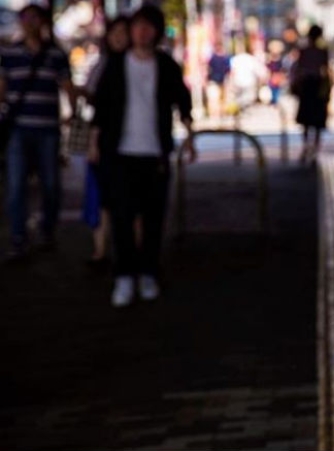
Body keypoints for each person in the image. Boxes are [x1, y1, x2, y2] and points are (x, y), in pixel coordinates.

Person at [90, 4, 195, 307]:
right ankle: (124, 276)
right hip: (119, 153)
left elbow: (182, 100)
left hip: (155, 153)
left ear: (157, 32)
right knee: (122, 217)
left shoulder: (165, 65)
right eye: (137, 26)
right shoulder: (116, 64)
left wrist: (189, 136)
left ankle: (148, 272)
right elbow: (102, 107)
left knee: (153, 217)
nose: (142, 31)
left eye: (148, 26)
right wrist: (96, 144)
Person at [0, 4, 75, 261]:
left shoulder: (56, 54)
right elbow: (2, 89)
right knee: (16, 186)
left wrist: (72, 113)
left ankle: (47, 231)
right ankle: (19, 238)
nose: (30, 23)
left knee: (51, 184)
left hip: (48, 130)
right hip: (18, 130)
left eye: (35, 18)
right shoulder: (8, 54)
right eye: (26, 18)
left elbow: (67, 86)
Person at [81, 14, 130, 267]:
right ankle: (101, 250)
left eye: (124, 31)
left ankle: (131, 255)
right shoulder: (102, 65)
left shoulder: (144, 64)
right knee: (101, 198)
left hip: (134, 144)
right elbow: (95, 105)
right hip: (105, 142)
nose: (119, 37)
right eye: (115, 32)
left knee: (132, 201)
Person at [291, 25, 331, 165]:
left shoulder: (304, 51)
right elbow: (325, 70)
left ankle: (306, 148)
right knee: (318, 121)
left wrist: (296, 86)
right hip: (317, 86)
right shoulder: (323, 52)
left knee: (306, 121)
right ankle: (314, 150)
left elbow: (298, 70)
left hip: (307, 86)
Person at [205, 41, 231, 121]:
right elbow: (208, 69)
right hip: (214, 81)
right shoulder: (213, 58)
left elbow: (228, 70)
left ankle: (219, 114)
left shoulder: (224, 58)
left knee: (220, 99)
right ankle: (215, 115)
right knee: (214, 99)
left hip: (221, 81)